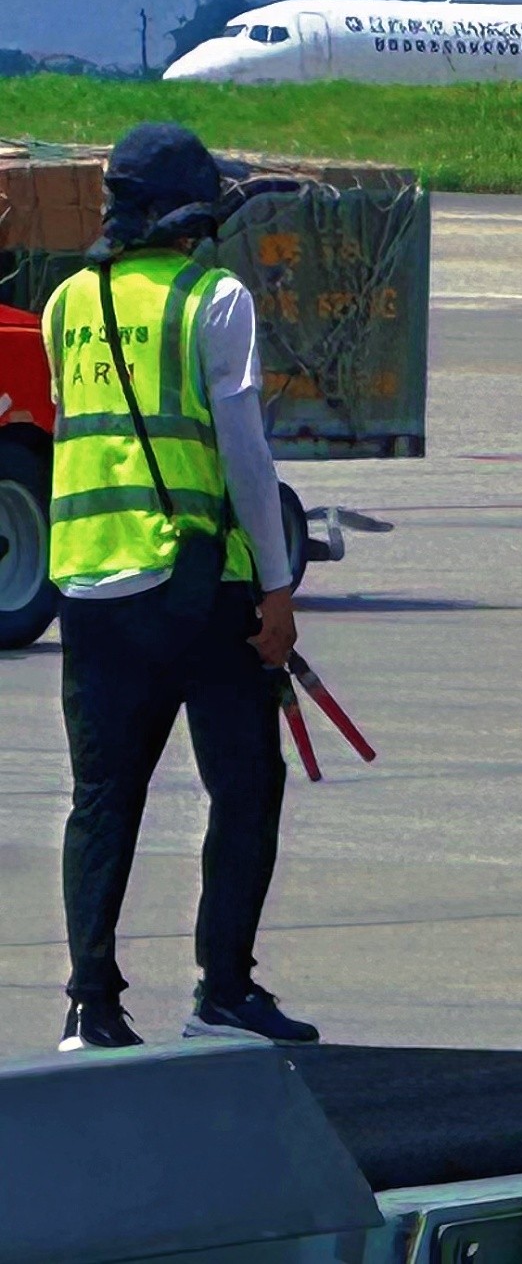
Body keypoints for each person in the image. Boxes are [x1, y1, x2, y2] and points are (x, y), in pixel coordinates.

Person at [45, 121, 312, 1050]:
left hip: (86, 586)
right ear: (194, 215)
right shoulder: (215, 298)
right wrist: (276, 590)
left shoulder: (66, 301)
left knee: (103, 795)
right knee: (244, 783)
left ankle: (91, 1004)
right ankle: (224, 990)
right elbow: (245, 452)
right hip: (198, 587)